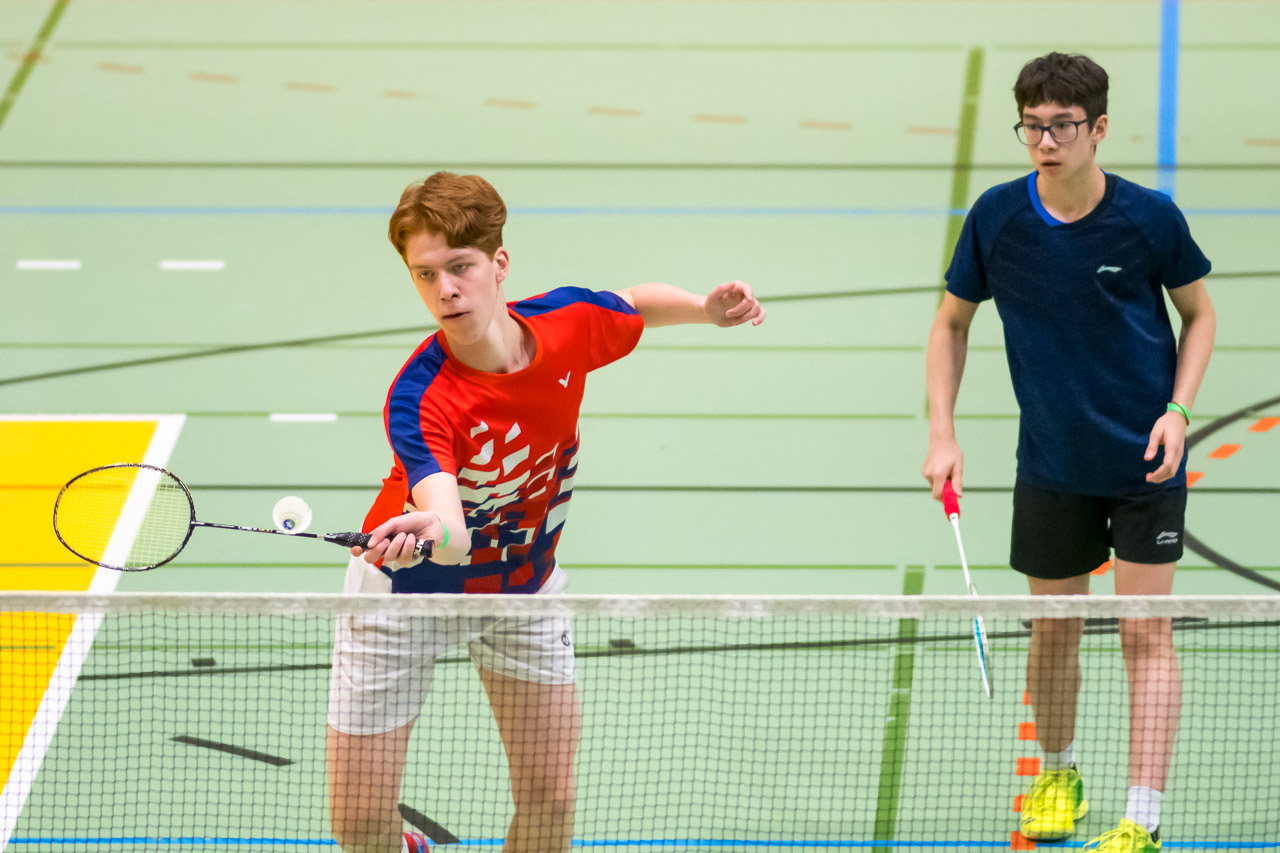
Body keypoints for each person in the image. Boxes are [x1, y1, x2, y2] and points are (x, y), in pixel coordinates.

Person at [326, 171, 766, 853]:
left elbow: (634, 302)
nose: (445, 290)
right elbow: (450, 530)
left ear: (499, 264)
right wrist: (431, 529)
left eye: (461, 267)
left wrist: (704, 310)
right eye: (425, 274)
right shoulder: (419, 397)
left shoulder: (568, 324)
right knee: (358, 825)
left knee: (552, 799)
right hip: (405, 589)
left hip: (521, 589)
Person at [921, 53, 1216, 853]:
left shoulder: (1148, 218)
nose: (1045, 142)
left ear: (1099, 128)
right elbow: (950, 324)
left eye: (1062, 126)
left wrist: (1179, 411)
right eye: (1032, 127)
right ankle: (1059, 774)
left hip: (1146, 463)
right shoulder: (997, 217)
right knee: (1054, 631)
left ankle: (1143, 817)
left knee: (1144, 634)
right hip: (1050, 464)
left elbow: (1200, 315)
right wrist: (942, 429)